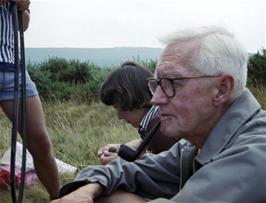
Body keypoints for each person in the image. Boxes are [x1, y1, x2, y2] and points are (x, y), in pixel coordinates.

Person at [52, 26, 266, 203]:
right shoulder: (193, 144)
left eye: (172, 83)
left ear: (221, 89)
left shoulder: (255, 155)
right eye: (157, 84)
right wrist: (89, 187)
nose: (155, 99)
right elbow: (130, 170)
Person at [0, 0, 60, 199]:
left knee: (40, 142)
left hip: (13, 68)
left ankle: (60, 198)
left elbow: (22, 27)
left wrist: (23, 7)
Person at [97, 61, 177, 164]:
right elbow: (146, 146)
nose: (119, 116)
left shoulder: (160, 127)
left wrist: (121, 163)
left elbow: (167, 171)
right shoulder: (155, 121)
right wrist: (121, 148)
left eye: (118, 107)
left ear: (129, 98)